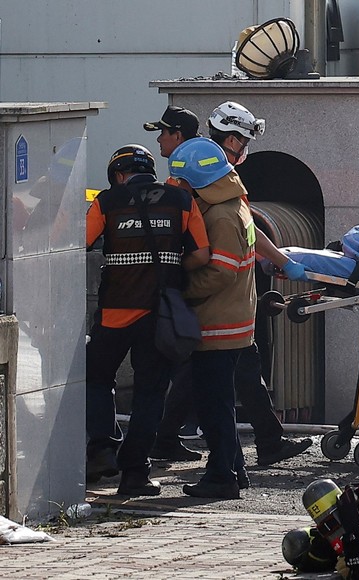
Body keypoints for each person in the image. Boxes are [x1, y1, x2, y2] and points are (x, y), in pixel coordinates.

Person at [152, 102, 312, 466]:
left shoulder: (211, 177)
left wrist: (282, 261)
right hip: (216, 299)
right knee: (215, 380)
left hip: (222, 299)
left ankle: (254, 445)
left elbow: (244, 229)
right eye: (243, 141)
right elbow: (231, 234)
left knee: (226, 372)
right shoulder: (207, 178)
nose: (245, 150)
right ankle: (230, 457)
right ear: (230, 138)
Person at [85, 145, 210, 496]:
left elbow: (80, 241)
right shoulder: (182, 201)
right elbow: (202, 254)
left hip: (113, 313)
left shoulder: (107, 201)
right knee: (150, 392)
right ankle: (135, 474)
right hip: (158, 316)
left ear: (119, 175)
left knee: (96, 378)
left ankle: (103, 449)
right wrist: (169, 268)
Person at [168, 137, 258, 499]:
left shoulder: (219, 215)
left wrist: (181, 291)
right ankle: (235, 470)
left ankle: (221, 477)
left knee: (213, 407)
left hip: (219, 322)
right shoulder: (231, 204)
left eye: (183, 183)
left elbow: (221, 272)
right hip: (233, 318)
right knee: (218, 402)